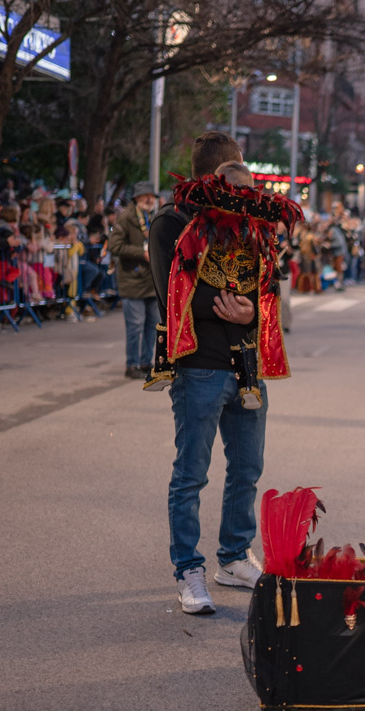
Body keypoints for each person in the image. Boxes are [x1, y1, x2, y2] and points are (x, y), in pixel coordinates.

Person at [148, 131, 303, 615]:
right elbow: (173, 296)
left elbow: (269, 286)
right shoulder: (172, 221)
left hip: (247, 367)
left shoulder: (253, 223)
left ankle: (234, 556)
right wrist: (235, 308)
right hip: (199, 366)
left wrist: (251, 312)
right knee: (191, 473)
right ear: (214, 176)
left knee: (247, 469)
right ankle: (187, 569)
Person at [107, 181, 159, 379]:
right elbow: (114, 246)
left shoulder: (152, 216)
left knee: (152, 325)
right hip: (132, 280)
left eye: (152, 196)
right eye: (146, 196)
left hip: (151, 280)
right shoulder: (126, 217)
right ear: (137, 198)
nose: (150, 199)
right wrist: (141, 253)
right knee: (135, 326)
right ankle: (132, 364)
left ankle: (146, 362)